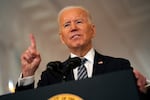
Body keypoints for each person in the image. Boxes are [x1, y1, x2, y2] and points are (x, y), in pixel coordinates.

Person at [15, 6, 150, 99]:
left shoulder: (118, 66)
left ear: (93, 30)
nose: (73, 28)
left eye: (79, 22)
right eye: (67, 25)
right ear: (62, 38)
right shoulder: (52, 75)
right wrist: (28, 74)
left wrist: (144, 91)